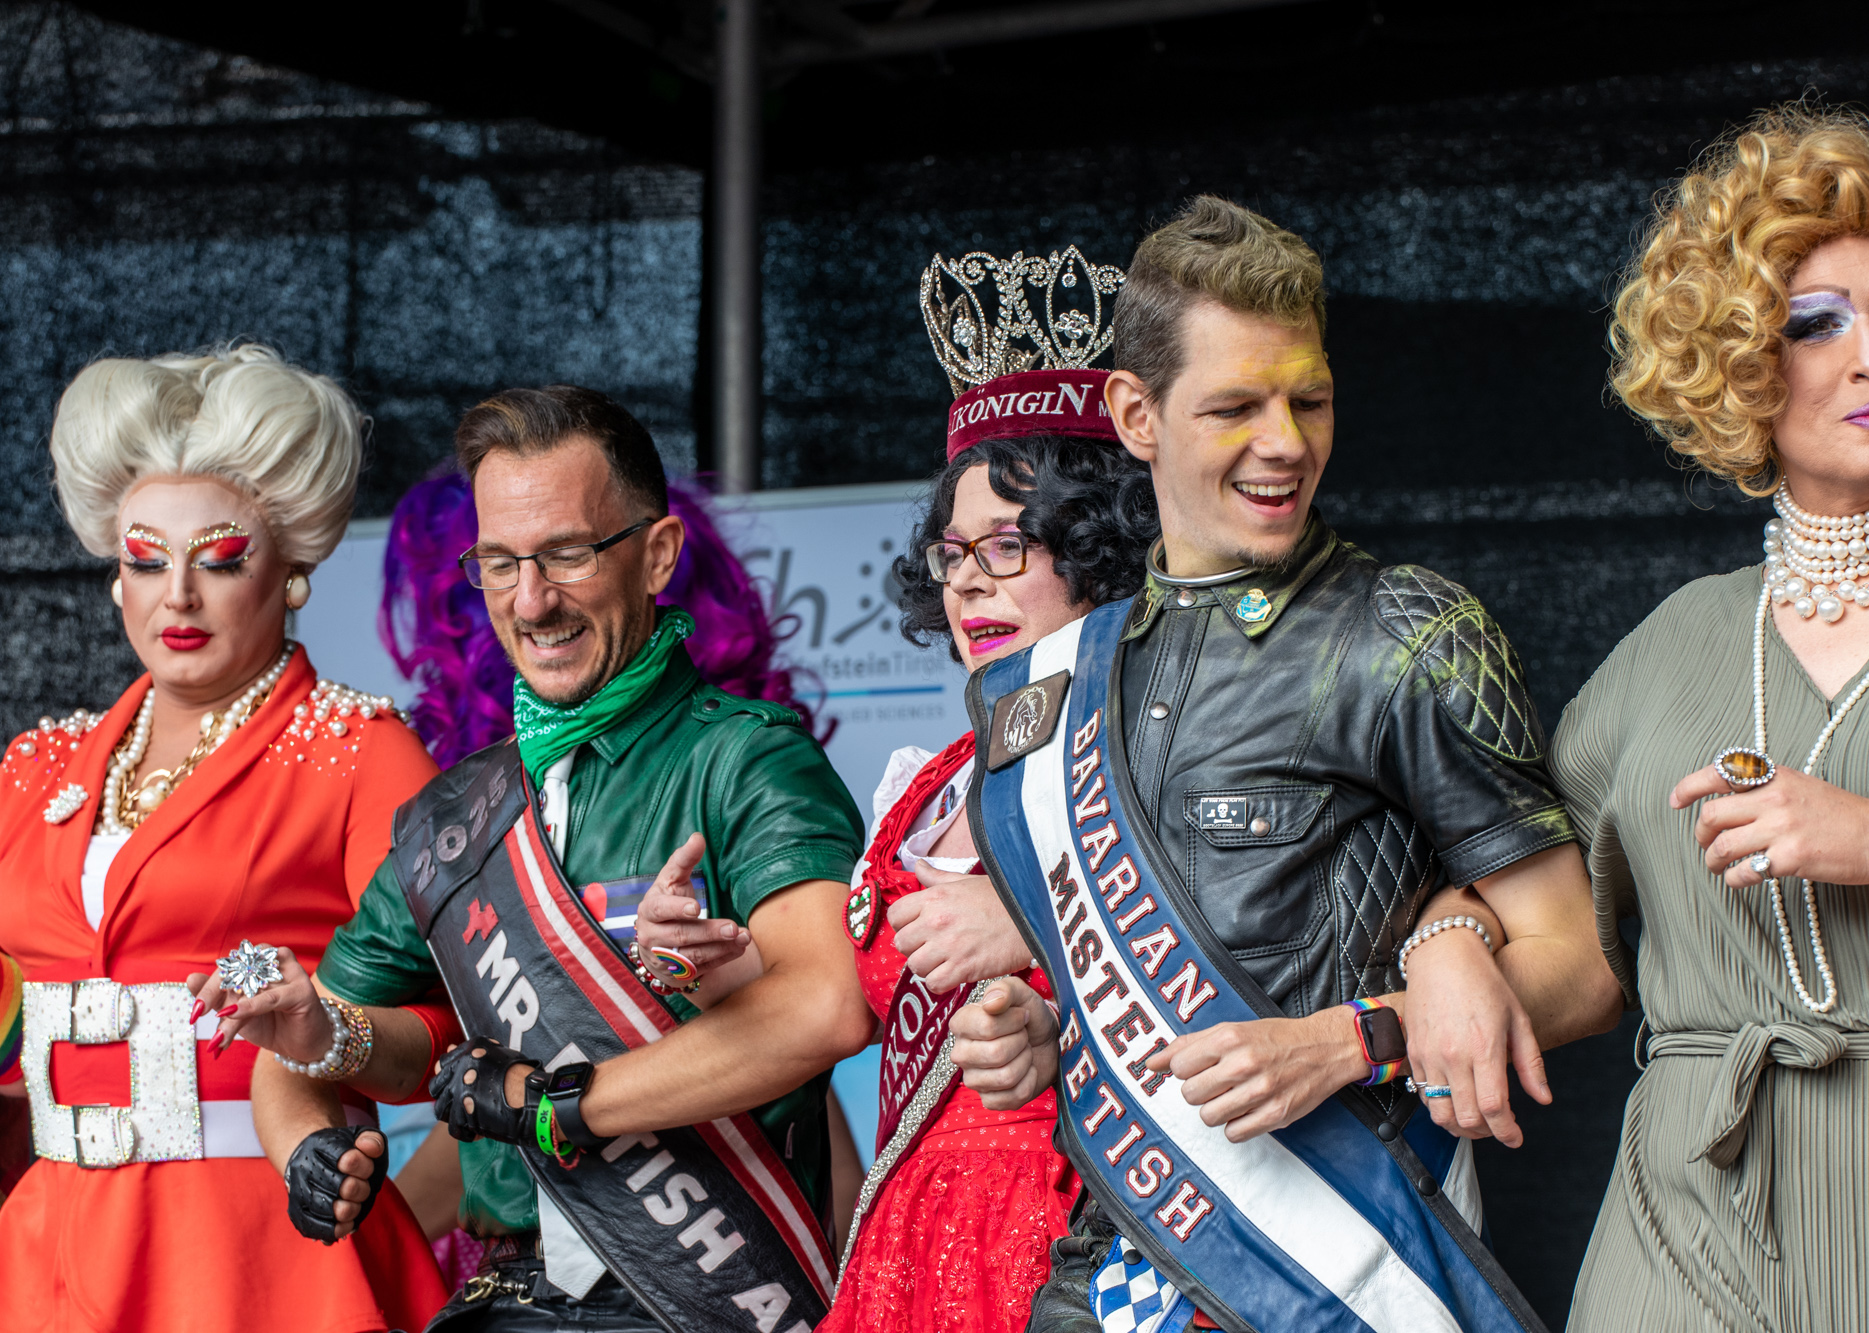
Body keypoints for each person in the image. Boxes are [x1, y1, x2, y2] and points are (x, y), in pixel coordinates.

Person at [947, 198, 1623, 1332]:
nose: (1286, 443)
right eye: (1234, 407)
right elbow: (1118, 989)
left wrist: (1351, 1039)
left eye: (1309, 400)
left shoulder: (1410, 631)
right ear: (1135, 414)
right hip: (1103, 1276)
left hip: (1333, 1275)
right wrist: (1034, 1030)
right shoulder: (1059, 677)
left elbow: (1586, 968)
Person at [209, 386, 874, 1330]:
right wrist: (307, 1143)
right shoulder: (453, 813)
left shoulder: (747, 758)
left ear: (658, 554)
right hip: (508, 1298)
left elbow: (826, 1003)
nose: (532, 600)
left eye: (567, 554)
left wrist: (563, 1104)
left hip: (702, 1302)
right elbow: (307, 1049)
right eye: (500, 562)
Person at [1552, 104, 1869, 1331]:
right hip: (1681, 1214)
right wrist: (1438, 953)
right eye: (1813, 325)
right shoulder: (1670, 643)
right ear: (1742, 365)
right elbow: (1532, 915)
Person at [0, 344, 448, 1332]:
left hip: (261, 1251)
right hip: (48, 1252)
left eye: (220, 558)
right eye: (145, 558)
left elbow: (454, 1026)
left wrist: (328, 1035)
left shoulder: (361, 752)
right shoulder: (33, 768)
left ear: (292, 570)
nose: (178, 594)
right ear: (115, 576)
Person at [820, 245, 1159, 1331]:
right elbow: (853, 1006)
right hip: (911, 1241)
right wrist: (719, 965)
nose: (968, 579)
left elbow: (1260, 968)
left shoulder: (1164, 748)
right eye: (952, 551)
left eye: (1009, 545)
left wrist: (1029, 921)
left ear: (1101, 548)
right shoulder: (925, 784)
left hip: (1081, 1229)